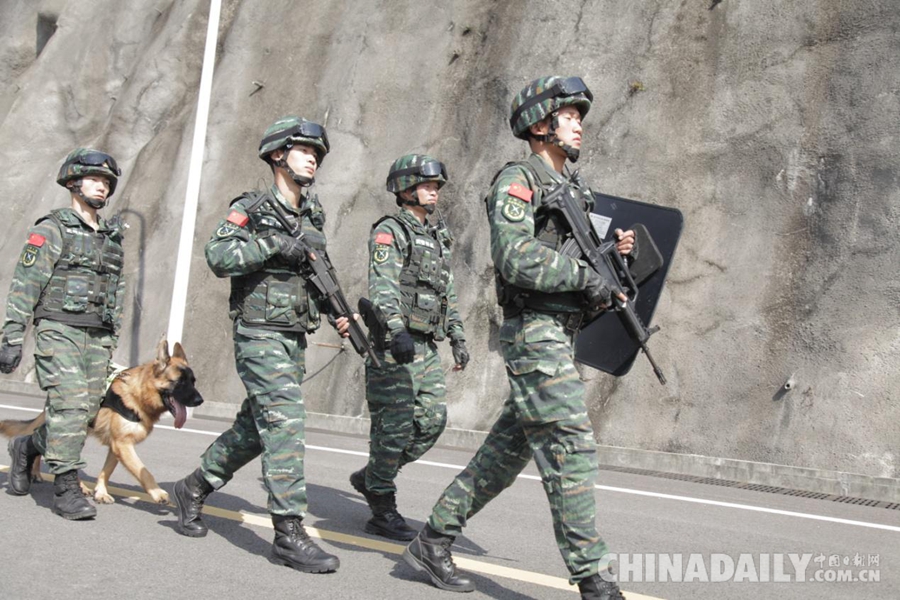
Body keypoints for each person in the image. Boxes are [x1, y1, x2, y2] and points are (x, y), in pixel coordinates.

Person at [402, 77, 633, 600]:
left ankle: (433, 539)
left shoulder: (575, 190)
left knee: (504, 455)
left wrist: (612, 259)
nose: (579, 124)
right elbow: (515, 256)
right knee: (569, 446)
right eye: (570, 115)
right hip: (535, 334)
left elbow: (580, 268)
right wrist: (584, 276)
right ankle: (595, 583)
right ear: (540, 123)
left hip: (560, 333)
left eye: (580, 117)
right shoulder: (517, 179)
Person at [171, 116, 353, 574]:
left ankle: (194, 485)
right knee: (287, 420)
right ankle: (288, 533)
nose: (314, 157)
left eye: (318, 153)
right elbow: (218, 256)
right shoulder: (251, 207)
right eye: (304, 149)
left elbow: (317, 270)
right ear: (277, 155)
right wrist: (271, 244)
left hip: (292, 335)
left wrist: (338, 312)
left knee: (258, 427)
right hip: (258, 334)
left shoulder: (312, 214)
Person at [350, 154, 468, 541]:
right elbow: (382, 284)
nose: (434, 191)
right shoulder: (390, 230)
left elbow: (445, 290)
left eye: (436, 186)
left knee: (432, 421)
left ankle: (372, 477)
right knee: (394, 428)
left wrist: (457, 335)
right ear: (405, 189)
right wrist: (397, 330)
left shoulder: (436, 236)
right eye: (427, 184)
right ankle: (382, 506)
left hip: (425, 346)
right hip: (392, 345)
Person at [3, 148, 126, 520]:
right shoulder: (52, 229)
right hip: (59, 331)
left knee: (83, 415)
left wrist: (111, 338)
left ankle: (26, 449)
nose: (101, 187)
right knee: (69, 406)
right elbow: (26, 284)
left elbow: (116, 291)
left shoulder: (110, 237)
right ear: (73, 182)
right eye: (94, 180)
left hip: (97, 338)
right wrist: (11, 336)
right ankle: (66, 487)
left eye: (106, 182)